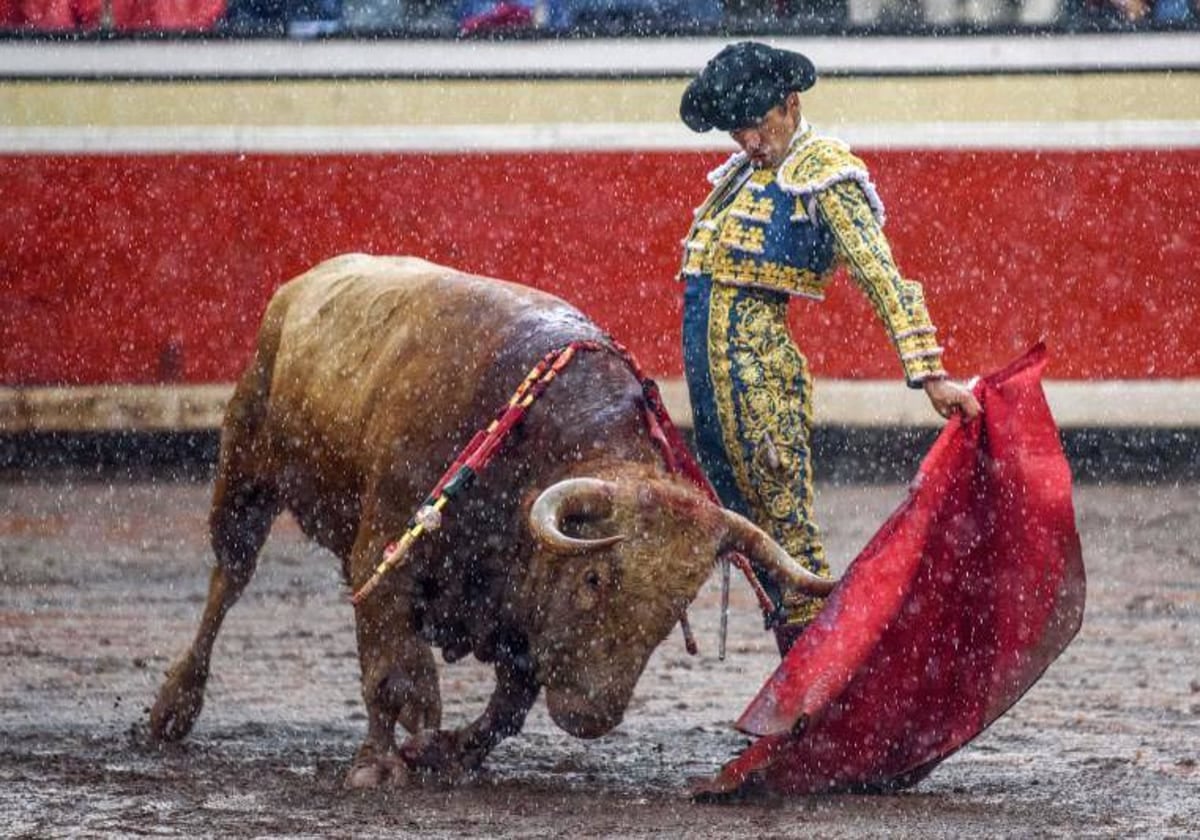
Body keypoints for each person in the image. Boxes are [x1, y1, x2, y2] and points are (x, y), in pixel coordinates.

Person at [677, 42, 981, 655]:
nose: (750, 144)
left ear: (791, 106)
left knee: (789, 541)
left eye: (758, 127)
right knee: (744, 532)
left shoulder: (825, 171)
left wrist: (929, 374)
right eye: (738, 132)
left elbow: (879, 272)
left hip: (761, 379)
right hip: (712, 387)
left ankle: (822, 693)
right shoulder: (740, 176)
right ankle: (803, 686)